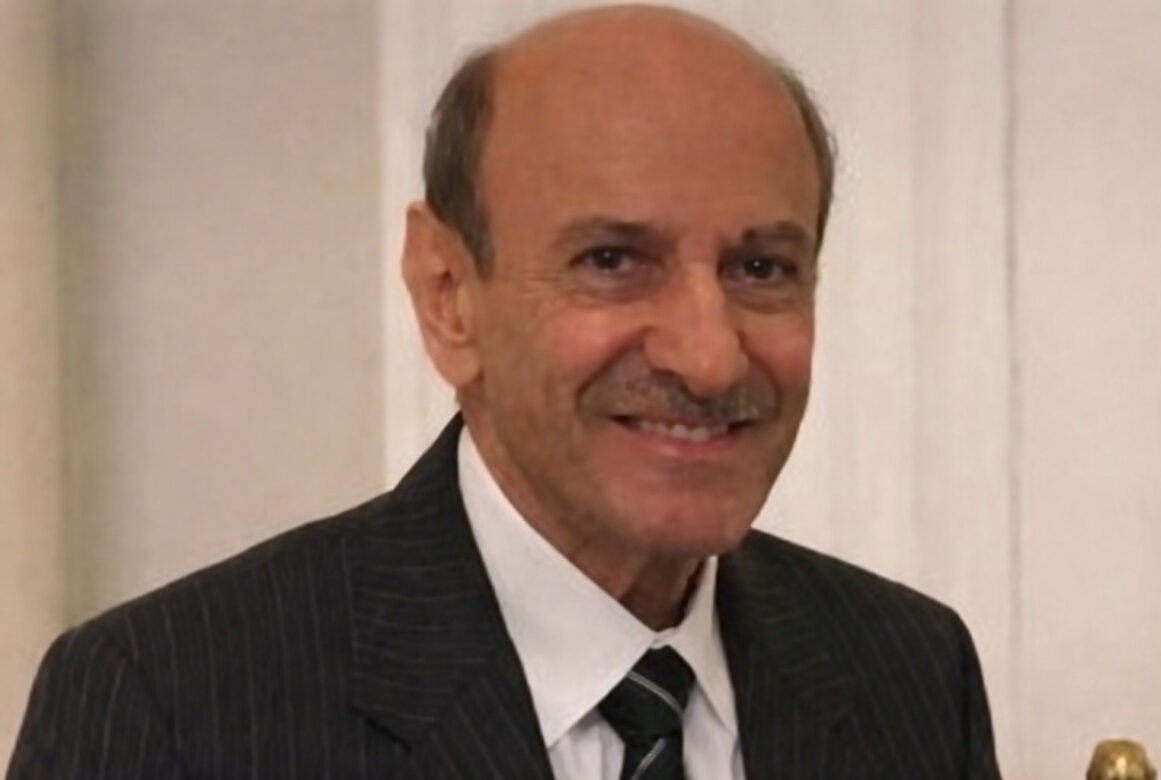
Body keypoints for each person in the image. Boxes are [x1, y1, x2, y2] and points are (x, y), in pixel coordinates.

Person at [8, 5, 1001, 779]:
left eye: (762, 268)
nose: (708, 357)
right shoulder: (175, 706)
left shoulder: (911, 675)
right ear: (448, 295)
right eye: (613, 260)